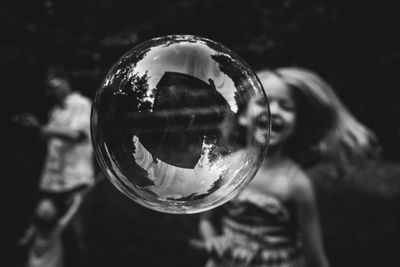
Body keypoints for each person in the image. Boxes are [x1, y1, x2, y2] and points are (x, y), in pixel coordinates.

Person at [194, 67, 377, 267]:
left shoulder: (296, 184)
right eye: (264, 102)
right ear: (243, 116)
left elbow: (315, 256)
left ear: (296, 124)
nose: (274, 111)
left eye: (286, 106)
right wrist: (212, 239)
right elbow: (207, 221)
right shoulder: (226, 167)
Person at [14, 65, 95, 265]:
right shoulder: (55, 111)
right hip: (52, 182)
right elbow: (49, 140)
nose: (48, 92)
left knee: (77, 237)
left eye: (52, 86)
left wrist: (42, 127)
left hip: (74, 181)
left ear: (65, 82)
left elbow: (78, 135)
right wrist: (33, 129)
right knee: (45, 231)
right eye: (46, 88)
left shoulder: (82, 104)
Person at [18, 195, 83, 267]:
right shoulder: (57, 228)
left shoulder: (35, 227)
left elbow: (27, 236)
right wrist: (77, 201)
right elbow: (71, 213)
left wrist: (25, 239)